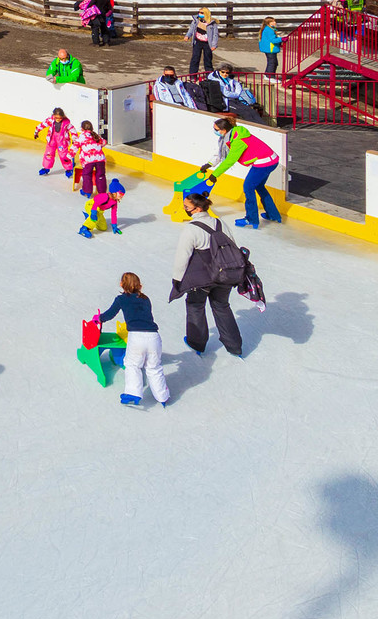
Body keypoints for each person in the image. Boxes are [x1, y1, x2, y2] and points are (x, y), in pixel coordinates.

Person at [169, 184, 245, 357]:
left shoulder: (191, 228)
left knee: (195, 306)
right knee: (222, 307)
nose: (185, 209)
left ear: (197, 208)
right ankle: (234, 346)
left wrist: (177, 279)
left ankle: (197, 343)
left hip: (201, 279)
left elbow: (183, 256)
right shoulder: (220, 223)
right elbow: (232, 245)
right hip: (224, 275)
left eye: (187, 207)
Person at [97, 273, 169, 409]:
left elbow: (110, 314)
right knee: (154, 367)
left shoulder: (121, 299)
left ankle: (133, 393)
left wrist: (99, 318)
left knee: (132, 364)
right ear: (140, 286)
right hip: (154, 336)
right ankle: (163, 397)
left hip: (137, 337)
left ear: (121, 285)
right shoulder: (146, 299)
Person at [205, 114, 283, 227]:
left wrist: (215, 174)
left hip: (264, 163)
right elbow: (221, 153)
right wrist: (209, 164)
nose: (214, 131)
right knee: (259, 187)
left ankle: (251, 219)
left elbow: (230, 160)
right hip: (270, 160)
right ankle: (273, 214)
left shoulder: (238, 141)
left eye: (216, 129)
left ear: (224, 130)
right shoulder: (232, 134)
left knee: (248, 188)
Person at [34, 106, 74, 175]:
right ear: (53, 116)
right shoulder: (50, 120)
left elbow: (73, 130)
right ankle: (46, 167)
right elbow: (42, 125)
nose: (58, 120)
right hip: (51, 140)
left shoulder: (66, 123)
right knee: (49, 153)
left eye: (60, 118)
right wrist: (36, 132)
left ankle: (68, 169)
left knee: (63, 155)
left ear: (62, 116)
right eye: (56, 118)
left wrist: (75, 139)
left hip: (62, 141)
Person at [186, 8, 218, 77]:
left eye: (202, 13)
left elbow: (215, 35)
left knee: (208, 59)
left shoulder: (212, 23)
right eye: (199, 12)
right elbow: (191, 29)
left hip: (207, 43)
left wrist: (214, 45)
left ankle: (209, 75)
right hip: (198, 42)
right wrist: (188, 36)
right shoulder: (196, 21)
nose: (200, 14)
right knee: (195, 58)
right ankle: (193, 75)